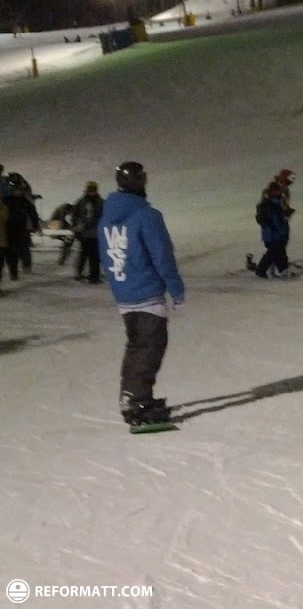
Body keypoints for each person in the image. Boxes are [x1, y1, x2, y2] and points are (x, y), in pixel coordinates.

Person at [98, 161, 184, 428]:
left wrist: (119, 284)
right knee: (149, 347)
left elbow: (106, 255)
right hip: (146, 291)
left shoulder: (107, 217)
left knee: (138, 345)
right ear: (141, 181)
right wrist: (176, 288)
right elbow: (162, 255)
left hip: (125, 293)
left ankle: (134, 395)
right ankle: (136, 401)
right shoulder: (147, 215)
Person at [254, 183, 291, 278]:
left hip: (273, 234)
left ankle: (281, 269)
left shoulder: (276, 202)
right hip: (274, 234)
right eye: (276, 191)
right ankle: (265, 270)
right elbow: (276, 220)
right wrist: (282, 231)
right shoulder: (271, 204)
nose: (279, 192)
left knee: (277, 252)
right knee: (275, 252)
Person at [71, 180, 104, 283]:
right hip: (86, 233)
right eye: (90, 190)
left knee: (92, 256)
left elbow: (103, 217)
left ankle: (93, 276)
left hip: (94, 233)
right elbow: (75, 215)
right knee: (86, 255)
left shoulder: (99, 202)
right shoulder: (83, 202)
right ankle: (87, 275)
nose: (91, 192)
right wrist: (77, 227)